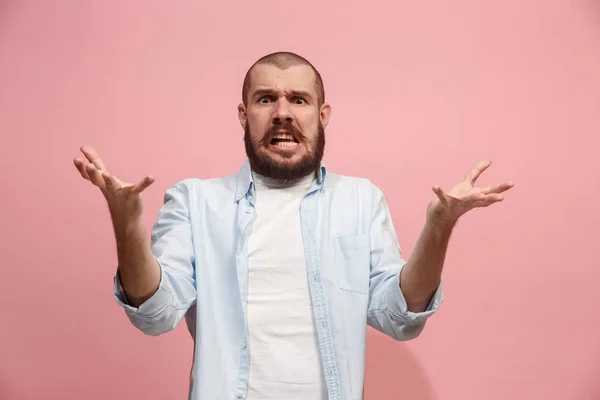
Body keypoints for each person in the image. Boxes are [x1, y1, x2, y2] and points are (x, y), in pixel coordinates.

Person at [74, 51, 513, 400]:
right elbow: (156, 315)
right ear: (244, 116)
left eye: (298, 100)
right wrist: (127, 225)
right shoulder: (195, 202)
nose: (282, 112)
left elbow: (400, 317)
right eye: (266, 99)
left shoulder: (360, 200)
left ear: (322, 116)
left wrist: (438, 227)